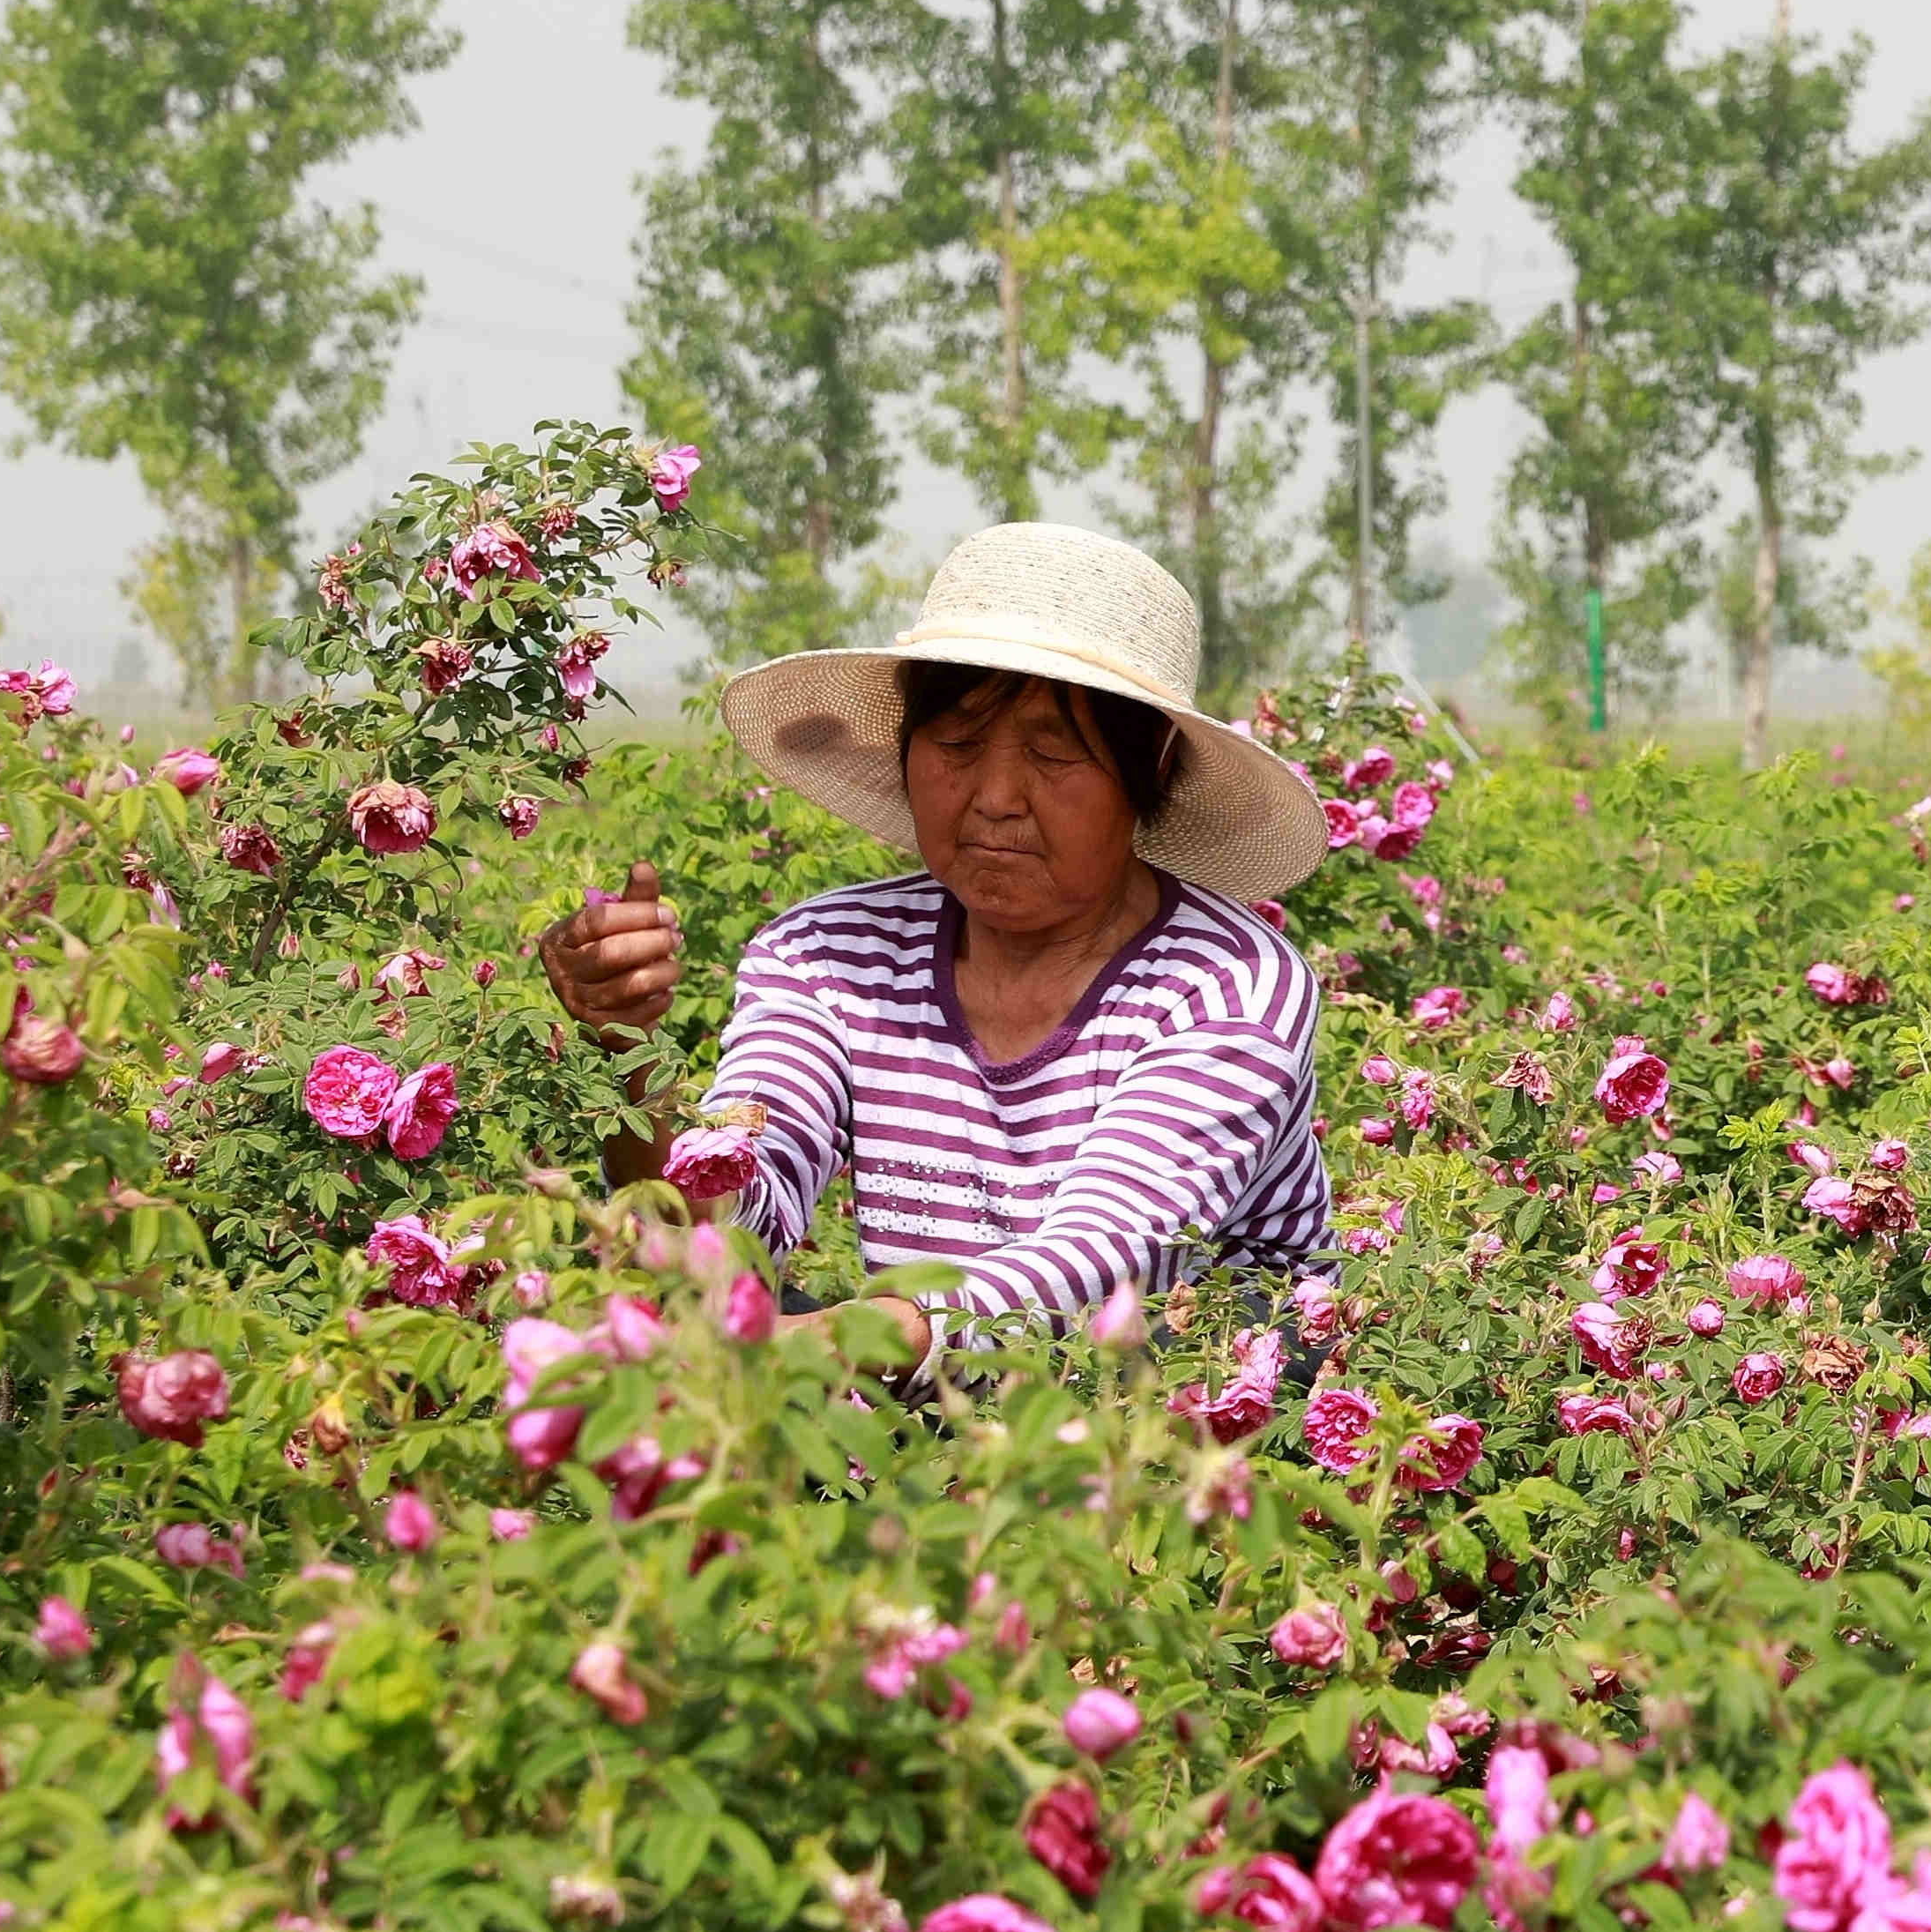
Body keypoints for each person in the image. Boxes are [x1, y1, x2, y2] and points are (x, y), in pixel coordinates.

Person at [534, 523, 1340, 1363]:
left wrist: (797, 1353)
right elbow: (726, 1238)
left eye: (1053, 755)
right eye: (957, 744)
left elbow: (1104, 1268)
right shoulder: (827, 955)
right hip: (922, 1379)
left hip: (1178, 1399)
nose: (995, 797)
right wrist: (627, 1052)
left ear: (1152, 771)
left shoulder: (1231, 984)